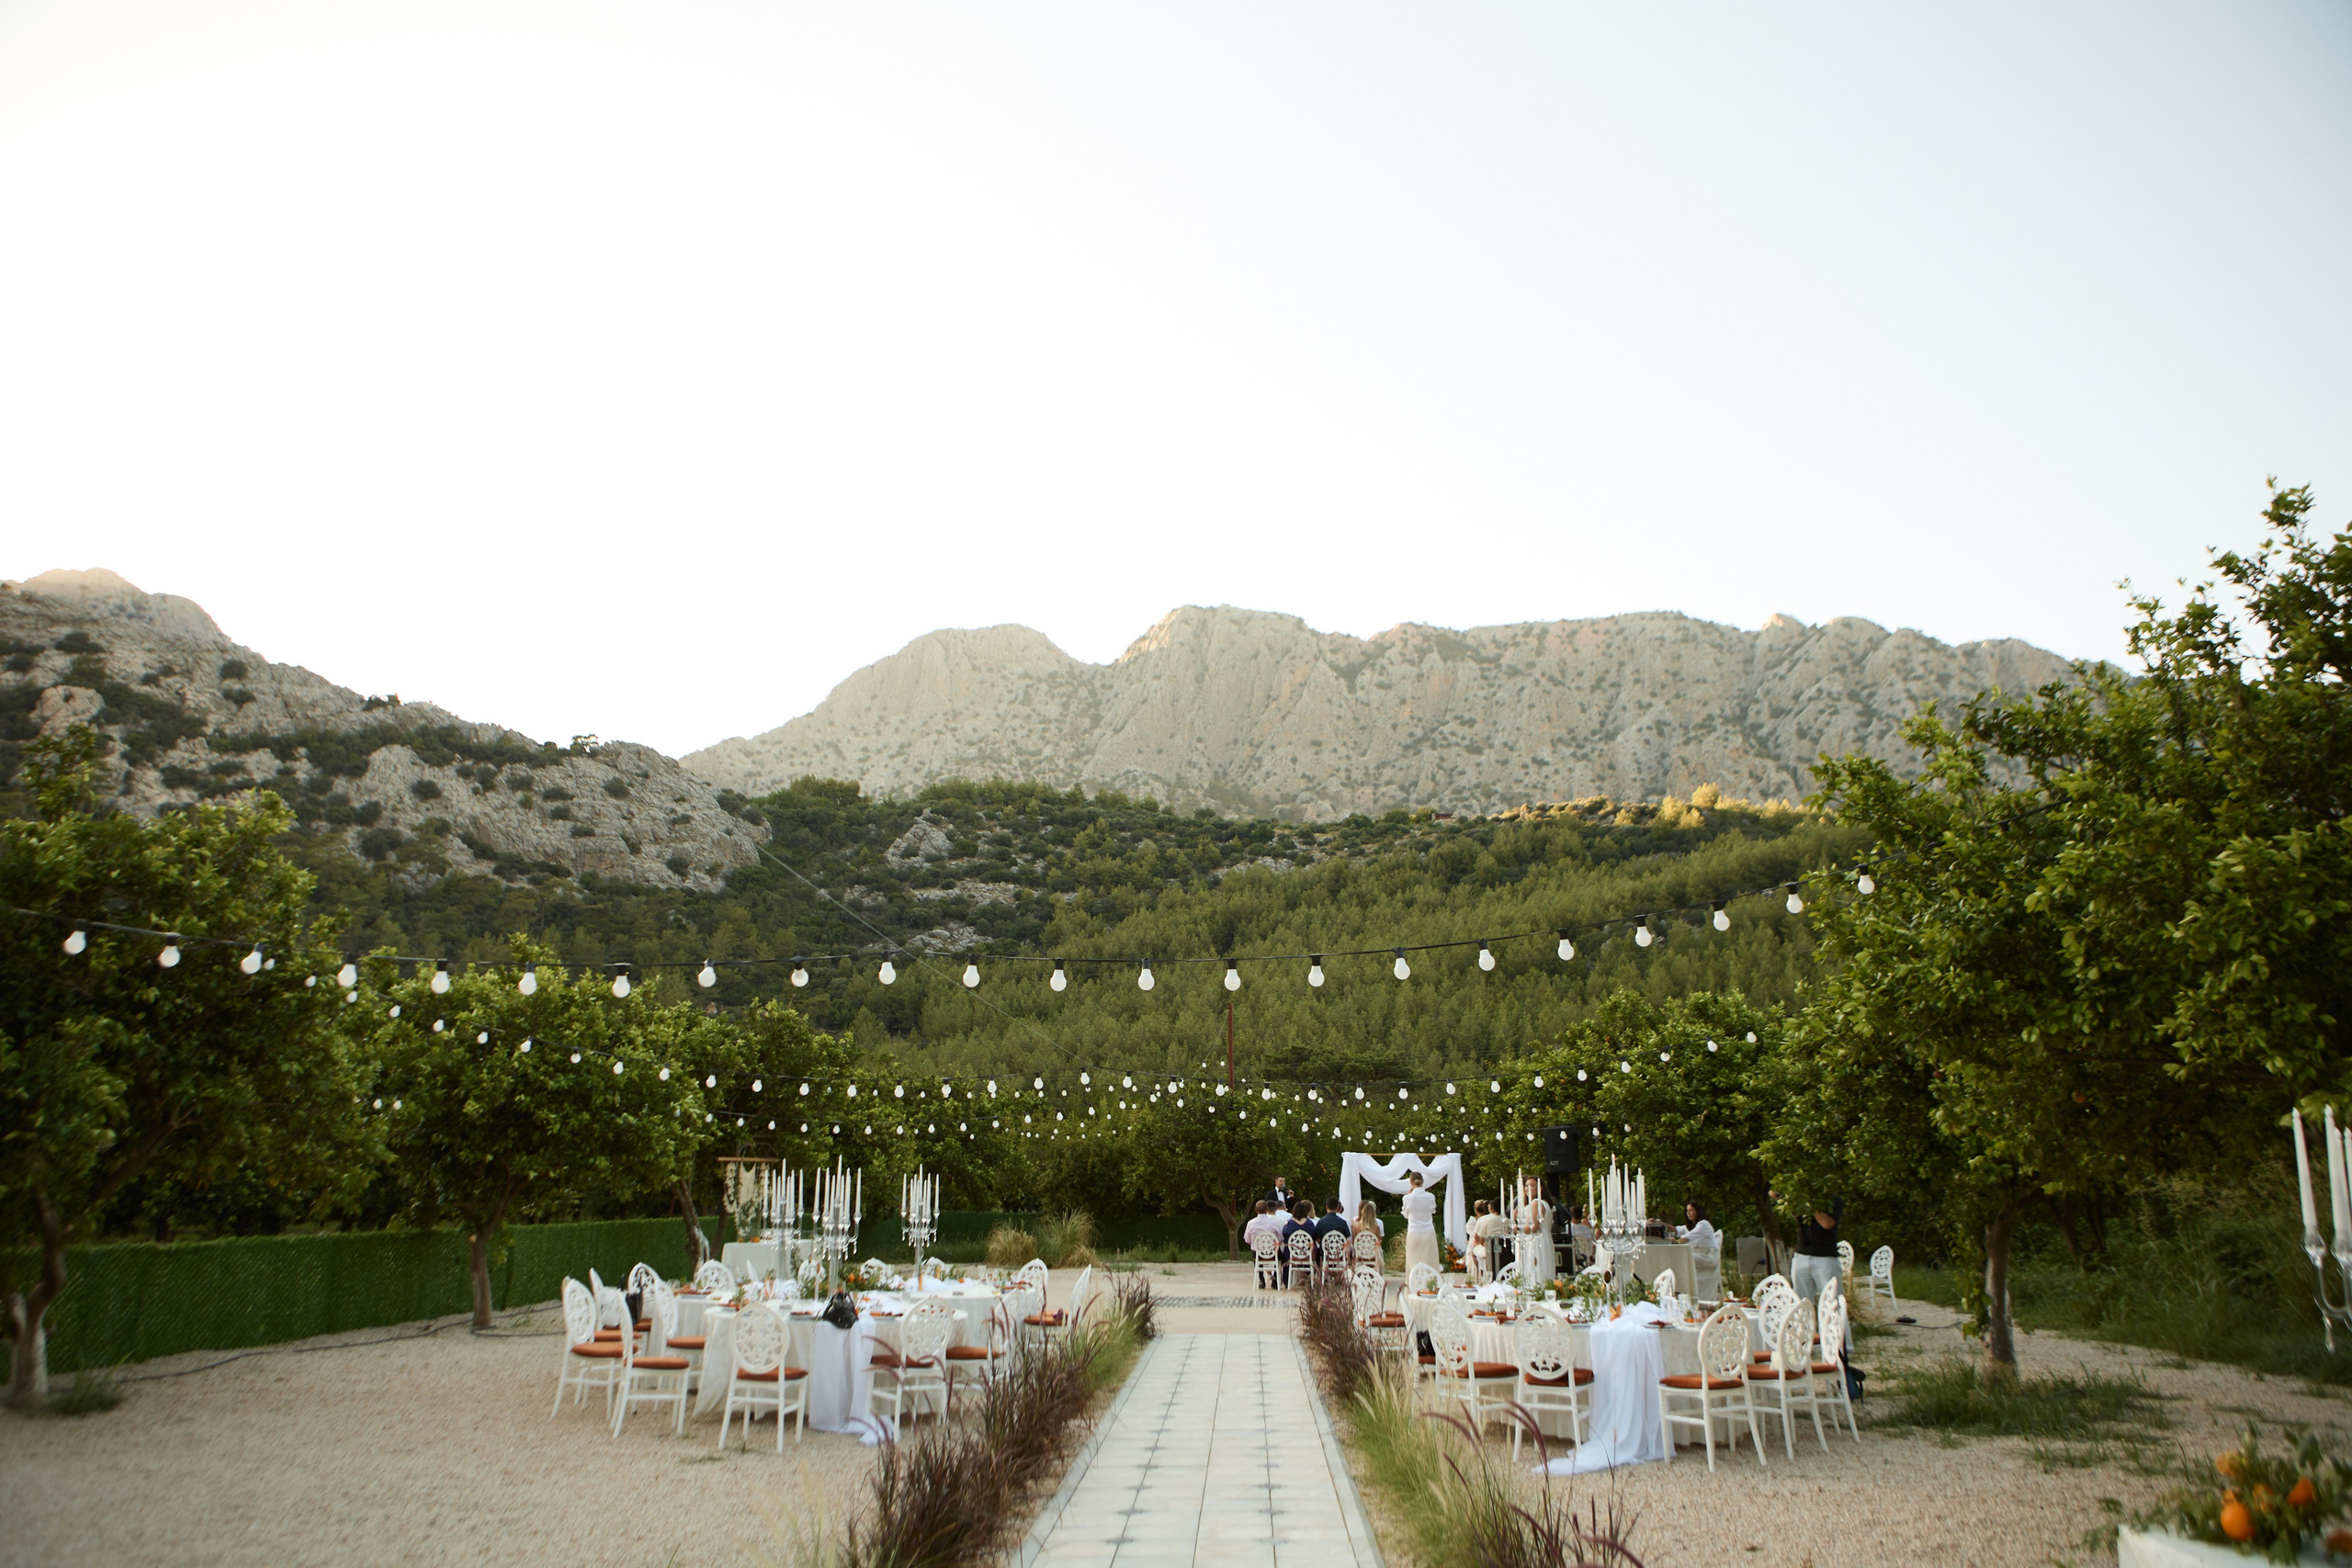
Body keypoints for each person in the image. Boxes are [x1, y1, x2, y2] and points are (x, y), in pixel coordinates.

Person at [1781, 1190, 1849, 1356]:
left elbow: (1827, 1223)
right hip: (1801, 1255)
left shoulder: (1834, 1200)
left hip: (1825, 1257)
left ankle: (1841, 1344)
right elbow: (1773, 1192)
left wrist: (1811, 1204)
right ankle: (1802, 1342)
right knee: (1801, 1302)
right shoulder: (1798, 1195)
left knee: (1833, 1301)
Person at [1513, 1176, 1555, 1286]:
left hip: (1534, 1241)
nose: (1528, 1188)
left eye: (1532, 1185)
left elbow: (1533, 1227)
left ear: (1540, 1188)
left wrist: (1517, 1228)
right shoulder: (1542, 1203)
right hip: (1542, 1239)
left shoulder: (1536, 1203)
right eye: (1526, 1186)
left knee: (1533, 1271)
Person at [1400, 1171, 1441, 1280]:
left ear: (1411, 1183)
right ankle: (1432, 1286)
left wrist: (1409, 1195)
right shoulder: (1430, 1196)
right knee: (1430, 1262)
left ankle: (1414, 1286)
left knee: (1413, 1263)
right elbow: (1432, 1211)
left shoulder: (1407, 1198)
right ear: (1423, 1182)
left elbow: (1405, 1215)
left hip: (1413, 1232)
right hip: (1428, 1232)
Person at [1466, 1200, 1508, 1285]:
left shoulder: (1484, 1220)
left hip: (1489, 1248)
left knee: (1473, 1252)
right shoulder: (1508, 1220)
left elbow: (1479, 1239)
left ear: (1491, 1208)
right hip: (1506, 1249)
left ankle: (1481, 1275)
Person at [1280, 1198, 1316, 1285]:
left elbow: (1284, 1237)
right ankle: (1309, 1276)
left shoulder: (1288, 1224)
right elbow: (1314, 1237)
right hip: (1307, 1254)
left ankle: (1286, 1281)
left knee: (1286, 1248)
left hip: (1291, 1255)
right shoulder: (1310, 1224)